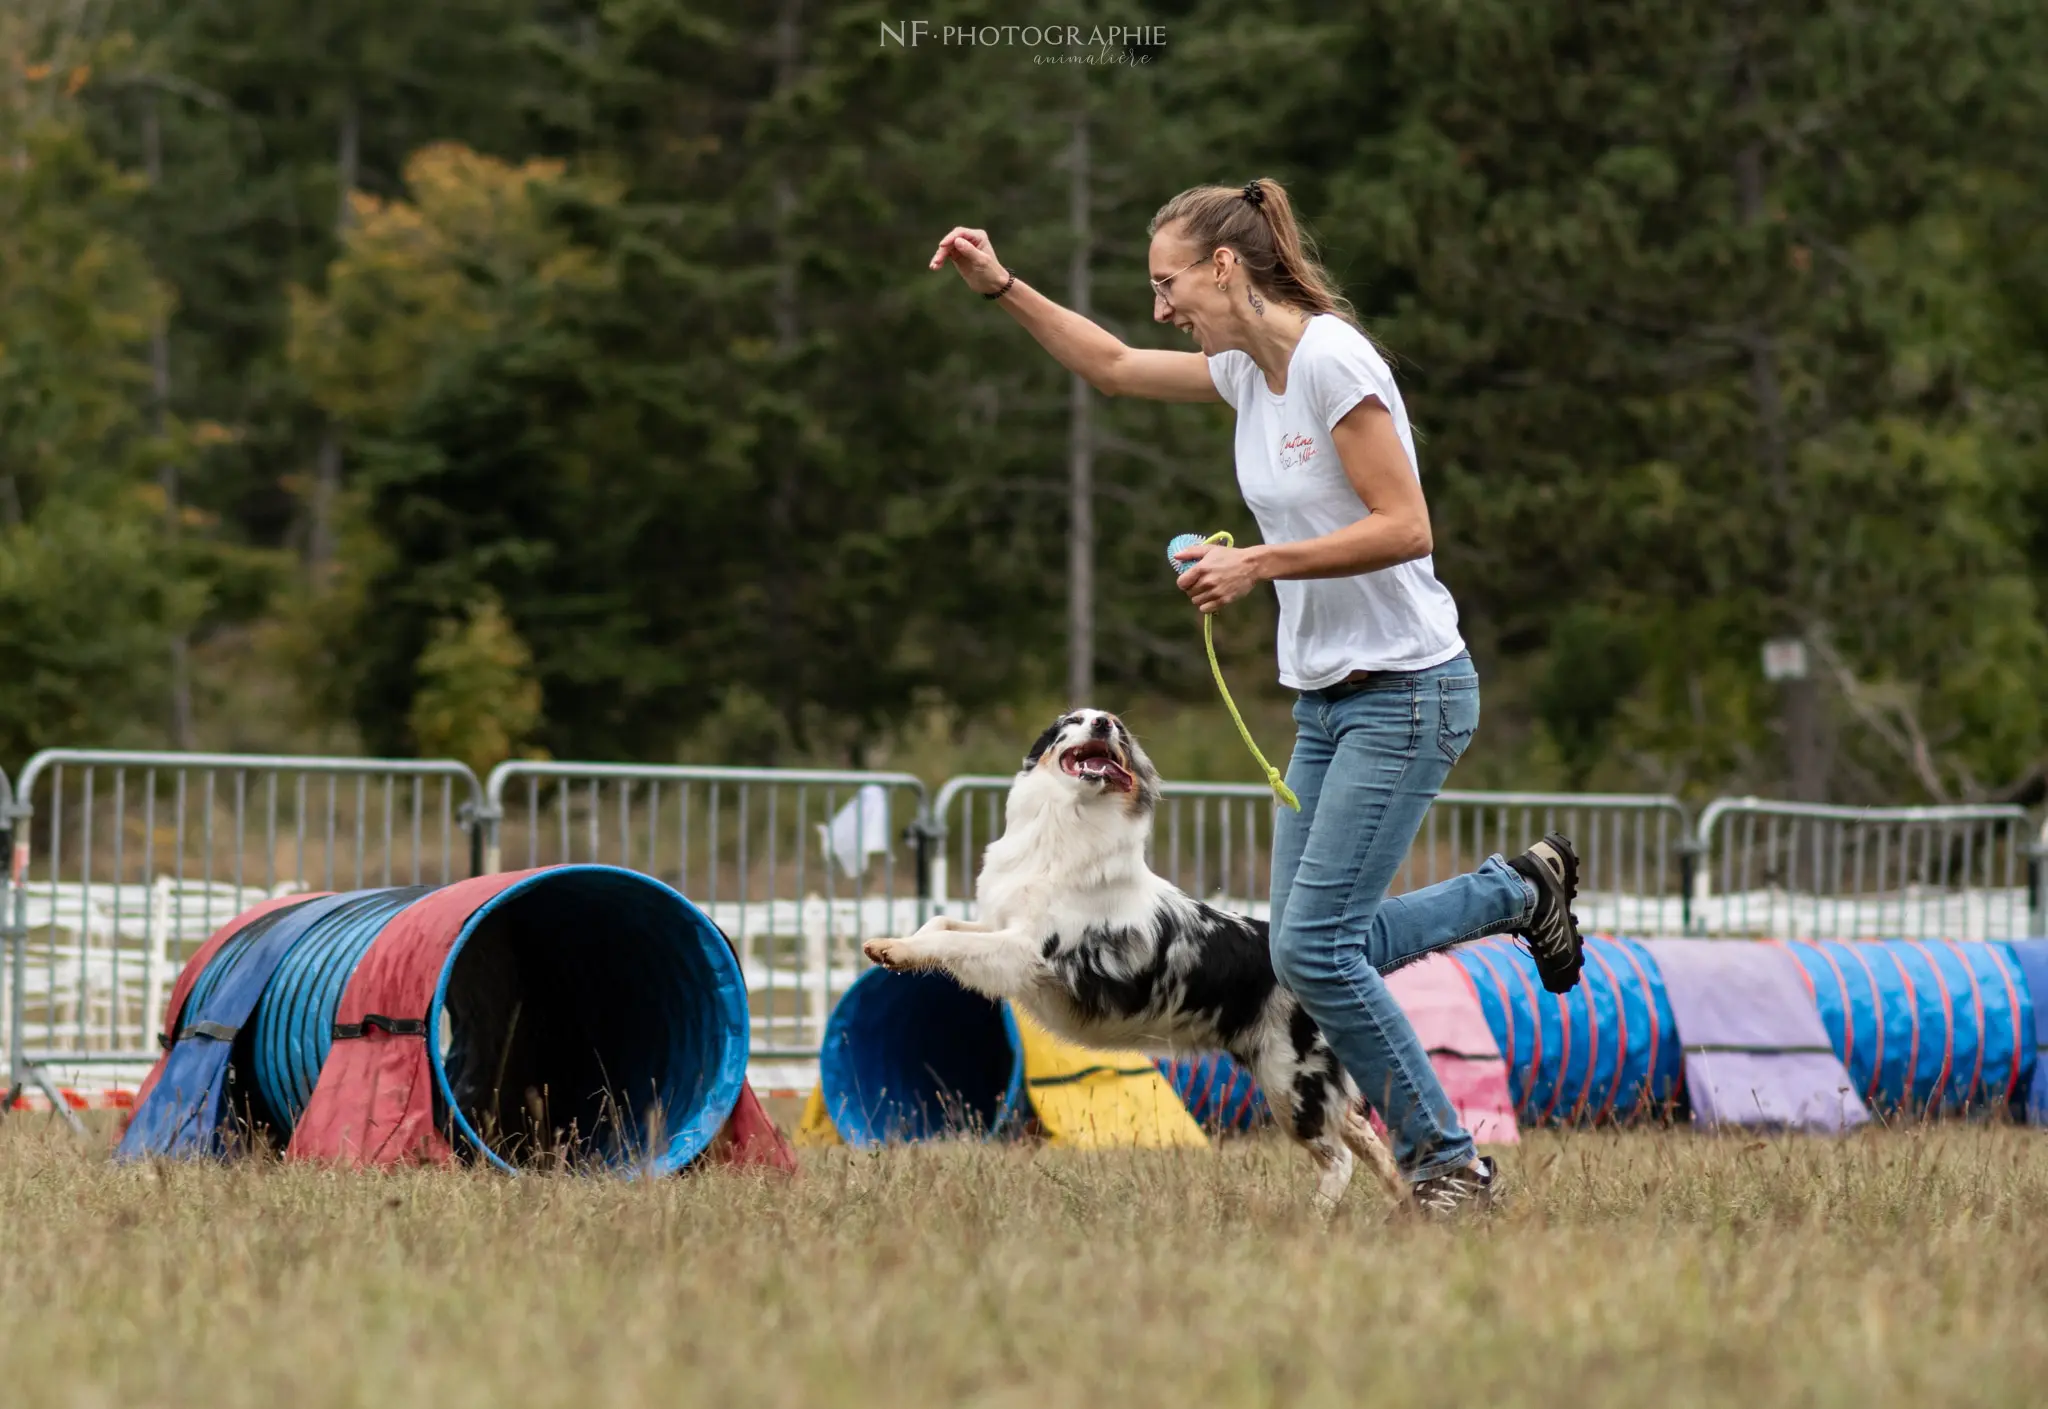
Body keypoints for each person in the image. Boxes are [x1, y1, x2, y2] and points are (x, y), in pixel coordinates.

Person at [928, 177, 1585, 1216]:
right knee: (1305, 944)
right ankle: (1519, 892)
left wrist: (1259, 566)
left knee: (1314, 946)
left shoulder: (1330, 360)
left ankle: (1447, 1162)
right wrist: (999, 283)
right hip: (1324, 699)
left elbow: (1406, 525)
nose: (1160, 308)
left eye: (1168, 283)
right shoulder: (1247, 371)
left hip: (1407, 691)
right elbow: (1108, 367)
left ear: (1225, 268)